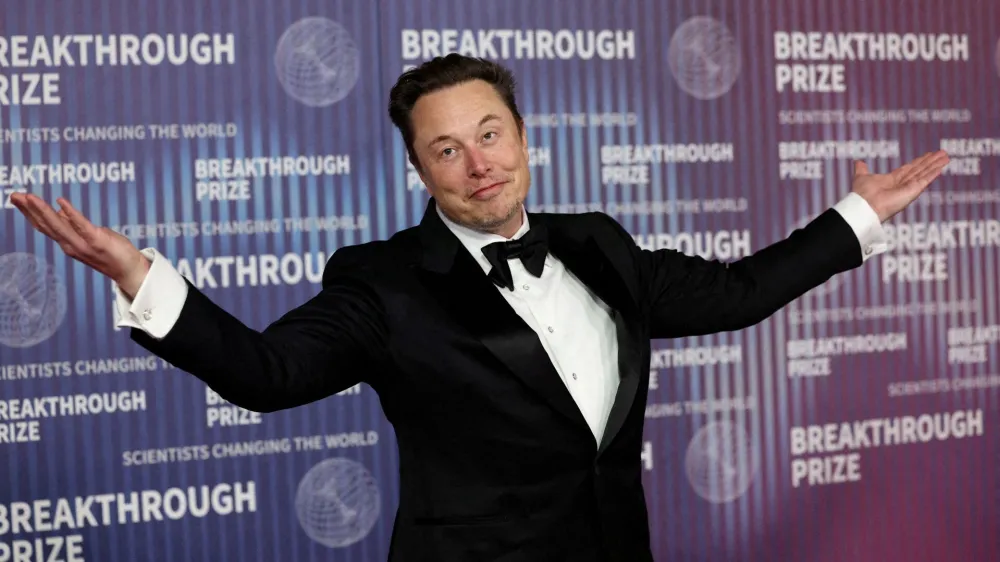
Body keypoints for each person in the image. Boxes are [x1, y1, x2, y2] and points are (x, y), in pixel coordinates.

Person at [11, 54, 949, 561]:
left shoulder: (599, 245)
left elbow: (739, 294)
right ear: (417, 169)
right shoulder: (381, 282)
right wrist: (143, 277)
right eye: (448, 149)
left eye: (490, 133)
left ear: (525, 137)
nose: (479, 162)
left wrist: (857, 214)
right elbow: (268, 374)